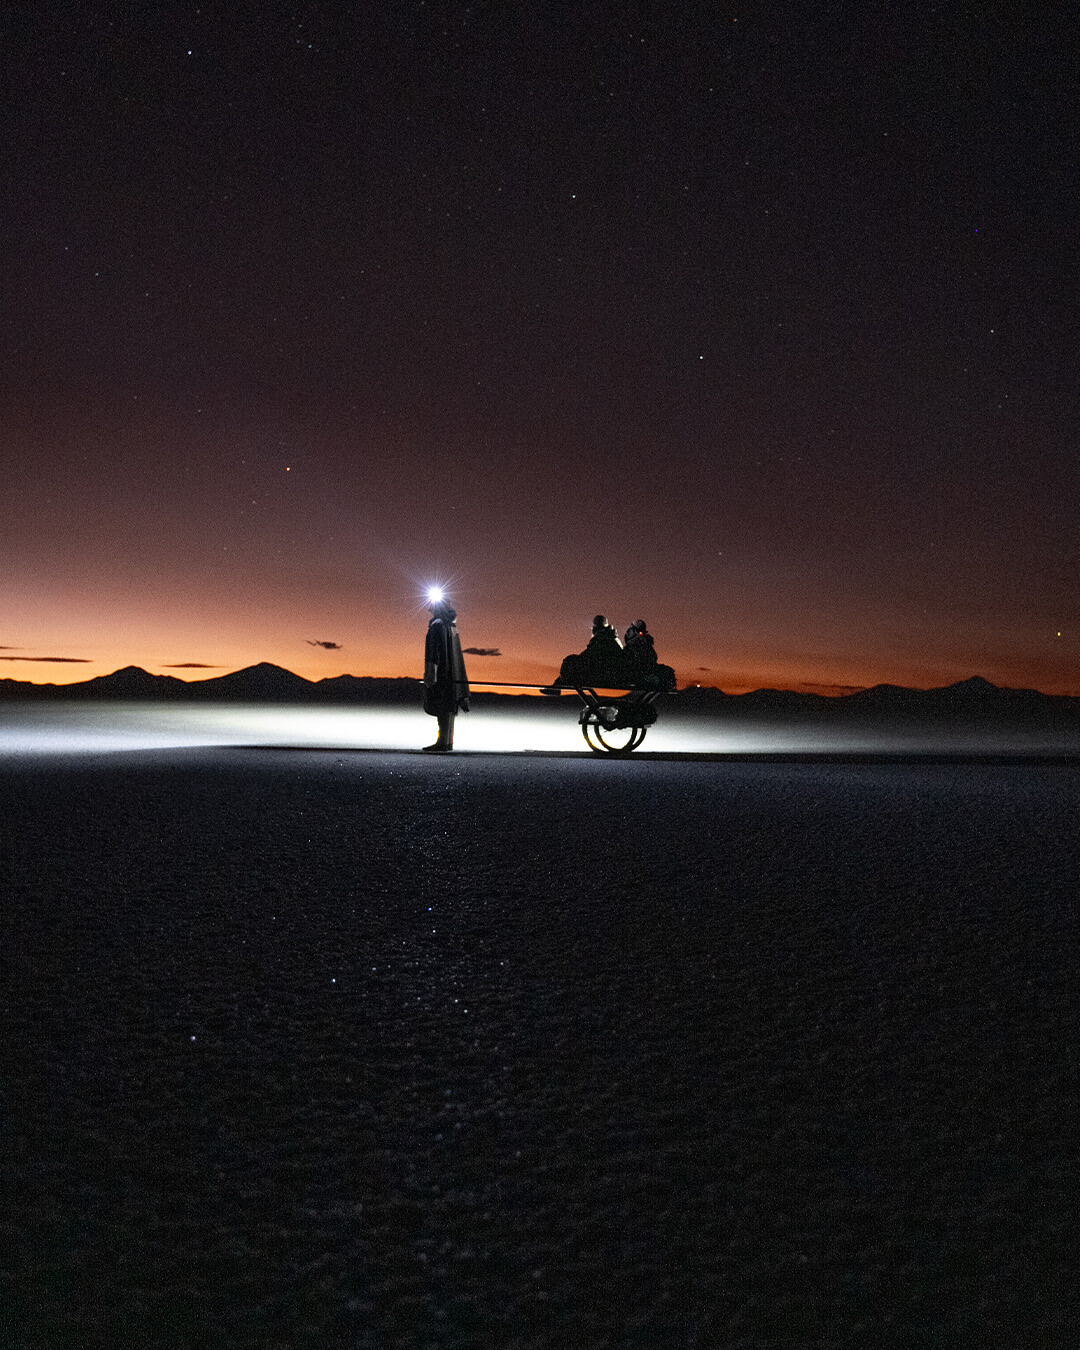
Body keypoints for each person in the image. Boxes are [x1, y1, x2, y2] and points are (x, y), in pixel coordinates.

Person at [422, 596, 470, 751]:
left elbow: (433, 651)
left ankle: (443, 742)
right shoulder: (451, 625)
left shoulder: (437, 625)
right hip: (452, 673)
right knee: (449, 706)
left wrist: (431, 673)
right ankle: (446, 741)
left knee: (442, 705)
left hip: (442, 672)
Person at [558, 614, 626, 687]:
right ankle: (558, 684)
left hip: (605, 676)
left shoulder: (602, 640)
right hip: (609, 674)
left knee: (569, 661)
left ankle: (558, 684)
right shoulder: (611, 639)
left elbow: (587, 656)